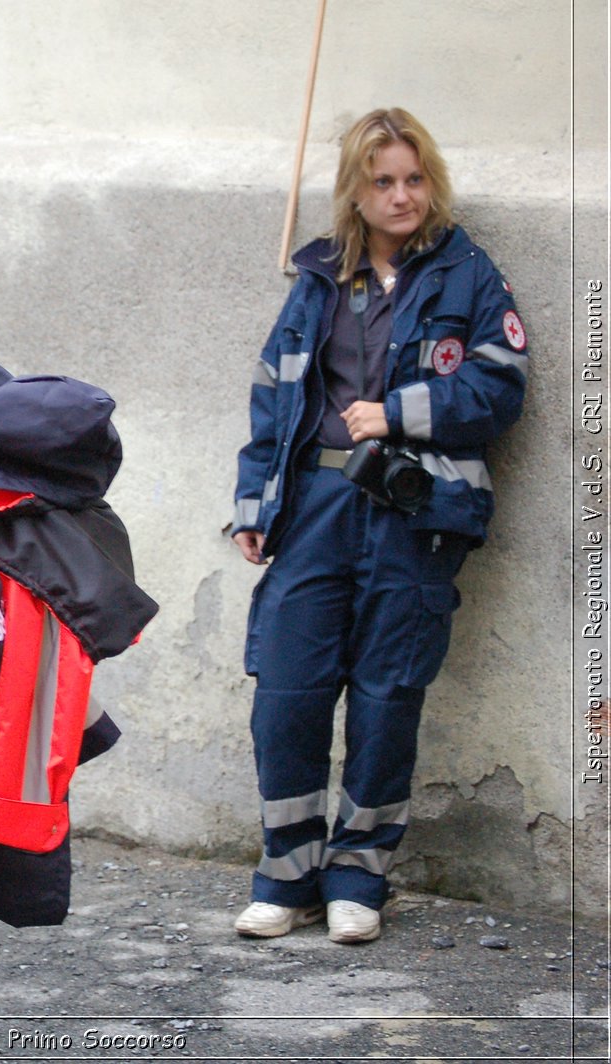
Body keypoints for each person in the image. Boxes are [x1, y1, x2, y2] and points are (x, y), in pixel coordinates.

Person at [230, 108, 528, 944]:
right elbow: (272, 399)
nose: (402, 195)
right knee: (285, 692)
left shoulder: (469, 273)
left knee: (388, 699)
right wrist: (255, 505)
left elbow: (501, 392)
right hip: (316, 511)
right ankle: (286, 875)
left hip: (414, 510)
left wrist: (396, 412)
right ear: (355, 193)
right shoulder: (318, 280)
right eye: (383, 181)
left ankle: (360, 875)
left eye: (414, 177)